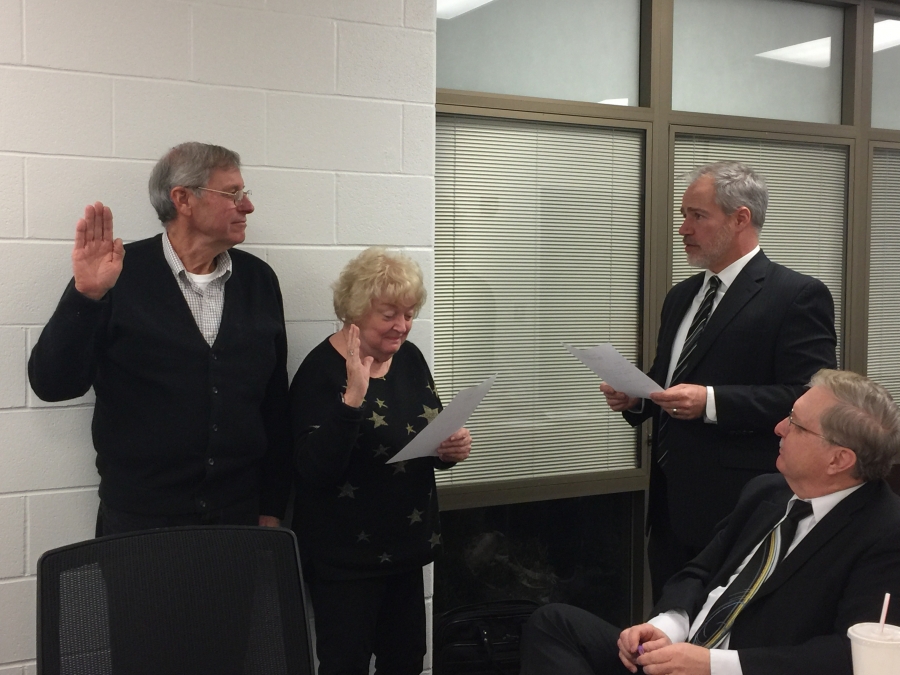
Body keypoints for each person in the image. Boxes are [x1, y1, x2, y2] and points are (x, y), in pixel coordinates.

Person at [522, 368, 900, 675]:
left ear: (839, 459)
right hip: (682, 654)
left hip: (738, 668)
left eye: (796, 424)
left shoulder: (885, 533)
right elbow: (698, 572)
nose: (779, 428)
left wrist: (712, 665)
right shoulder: (767, 492)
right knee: (554, 623)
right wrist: (667, 627)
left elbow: (850, 654)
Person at [28, 142, 291, 535]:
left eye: (245, 193)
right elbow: (53, 384)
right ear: (183, 199)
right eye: (233, 194)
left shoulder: (258, 281)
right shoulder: (117, 275)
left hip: (238, 517)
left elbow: (274, 403)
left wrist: (272, 505)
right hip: (140, 521)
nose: (247, 206)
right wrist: (86, 296)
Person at [601, 161, 837, 599]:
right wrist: (637, 399)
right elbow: (671, 379)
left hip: (741, 505)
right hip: (670, 506)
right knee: (667, 624)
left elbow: (809, 397)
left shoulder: (796, 295)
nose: (683, 228)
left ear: (740, 218)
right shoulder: (681, 296)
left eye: (697, 215)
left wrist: (711, 402)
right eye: (684, 215)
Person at [290, 247, 472, 675]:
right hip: (345, 558)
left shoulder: (409, 359)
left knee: (406, 661)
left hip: (405, 547)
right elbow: (313, 470)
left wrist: (449, 449)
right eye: (389, 314)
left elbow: (425, 433)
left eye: (409, 313)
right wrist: (352, 400)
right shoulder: (320, 371)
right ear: (355, 311)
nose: (403, 326)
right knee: (345, 664)